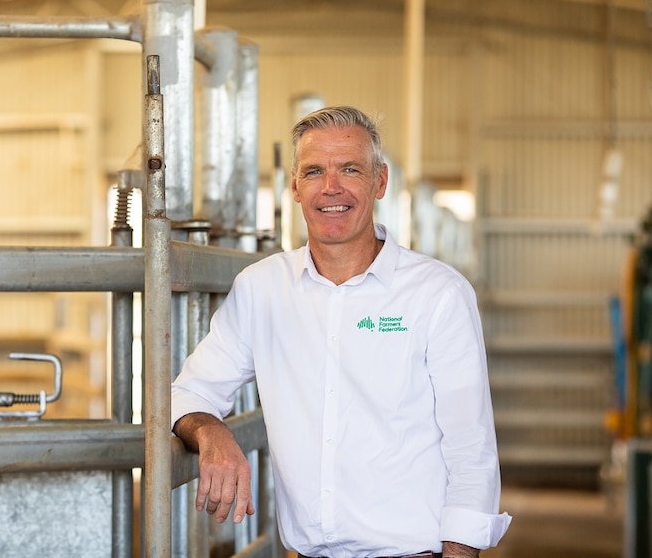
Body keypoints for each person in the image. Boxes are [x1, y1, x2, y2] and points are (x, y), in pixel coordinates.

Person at [171, 106, 511, 558]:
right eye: (314, 171)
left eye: (350, 169)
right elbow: (186, 393)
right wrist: (212, 433)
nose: (331, 188)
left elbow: (471, 449)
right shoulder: (262, 289)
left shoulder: (437, 294)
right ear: (295, 187)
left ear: (380, 181)